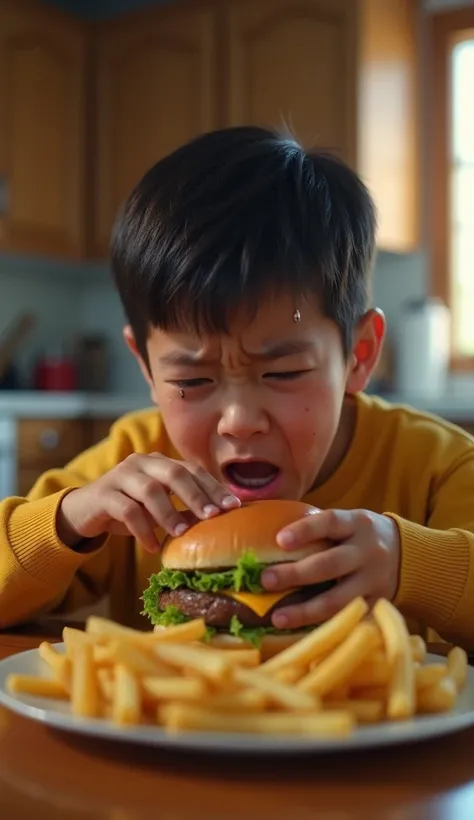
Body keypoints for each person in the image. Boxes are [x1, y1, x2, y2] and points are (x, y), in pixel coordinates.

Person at [1, 127, 473, 647]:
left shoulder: (437, 468)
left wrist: (414, 565)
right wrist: (68, 521)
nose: (240, 421)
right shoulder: (133, 463)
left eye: (284, 373)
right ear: (147, 370)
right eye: (192, 380)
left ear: (358, 355)